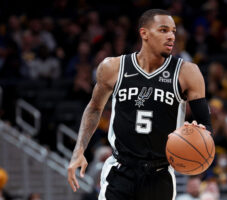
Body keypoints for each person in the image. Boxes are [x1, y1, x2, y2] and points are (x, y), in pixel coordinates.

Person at [67, 9, 212, 200]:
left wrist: (197, 137)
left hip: (160, 174)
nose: (171, 36)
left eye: (173, 31)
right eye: (163, 30)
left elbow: (206, 125)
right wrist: (79, 150)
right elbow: (94, 107)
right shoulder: (113, 67)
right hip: (120, 171)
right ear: (144, 33)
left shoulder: (187, 72)